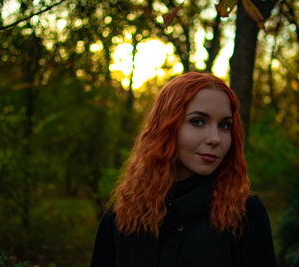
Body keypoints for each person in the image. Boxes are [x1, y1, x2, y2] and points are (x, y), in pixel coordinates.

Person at [90, 72, 276, 266]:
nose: (215, 138)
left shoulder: (245, 215)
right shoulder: (121, 218)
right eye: (198, 121)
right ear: (166, 127)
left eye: (224, 125)